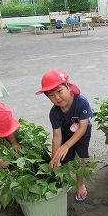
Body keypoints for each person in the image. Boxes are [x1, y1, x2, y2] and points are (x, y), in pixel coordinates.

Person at [36, 69, 92, 202]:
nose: (57, 98)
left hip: (81, 134)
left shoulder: (82, 103)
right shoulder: (54, 113)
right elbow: (57, 136)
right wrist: (54, 157)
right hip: (65, 134)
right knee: (65, 158)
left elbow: (82, 127)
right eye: (50, 95)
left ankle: (80, 184)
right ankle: (65, 181)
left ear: (69, 86)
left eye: (59, 91)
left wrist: (66, 146)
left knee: (79, 160)